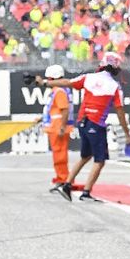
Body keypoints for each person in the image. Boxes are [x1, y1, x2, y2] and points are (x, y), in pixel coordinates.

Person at [40, 52, 130, 202]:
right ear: (116, 68)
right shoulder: (114, 87)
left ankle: (66, 184)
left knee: (85, 156)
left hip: (82, 122)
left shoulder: (89, 78)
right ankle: (86, 192)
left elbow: (67, 82)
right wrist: (127, 135)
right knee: (100, 160)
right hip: (96, 124)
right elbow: (120, 112)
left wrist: (45, 83)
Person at [41, 64, 72, 193]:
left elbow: (64, 109)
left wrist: (62, 127)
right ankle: (61, 178)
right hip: (56, 126)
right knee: (58, 155)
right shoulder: (58, 91)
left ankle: (63, 180)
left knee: (60, 156)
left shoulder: (59, 91)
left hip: (58, 127)